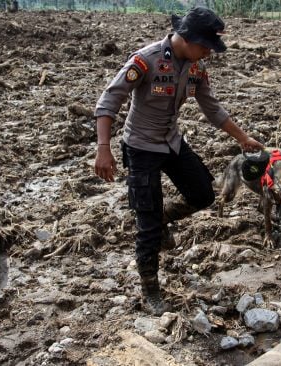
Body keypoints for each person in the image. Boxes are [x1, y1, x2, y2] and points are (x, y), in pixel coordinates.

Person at [93, 7, 264, 315]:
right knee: (146, 224)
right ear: (186, 38)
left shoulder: (196, 67)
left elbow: (212, 108)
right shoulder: (146, 60)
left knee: (203, 194)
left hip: (171, 141)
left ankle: (162, 219)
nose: (208, 53)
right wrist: (103, 148)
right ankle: (150, 288)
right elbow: (109, 100)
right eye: (206, 46)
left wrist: (242, 138)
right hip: (141, 147)